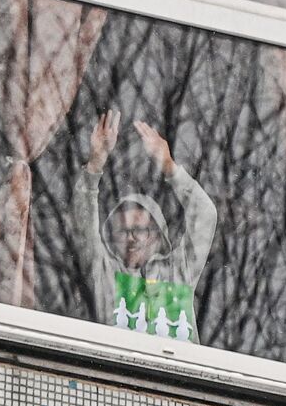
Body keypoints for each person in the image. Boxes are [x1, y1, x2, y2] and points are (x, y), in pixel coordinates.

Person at [72, 109, 217, 343]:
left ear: (158, 236)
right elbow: (83, 226)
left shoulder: (179, 271)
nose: (132, 238)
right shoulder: (105, 274)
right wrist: (95, 164)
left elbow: (205, 216)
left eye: (139, 230)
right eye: (123, 231)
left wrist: (170, 167)